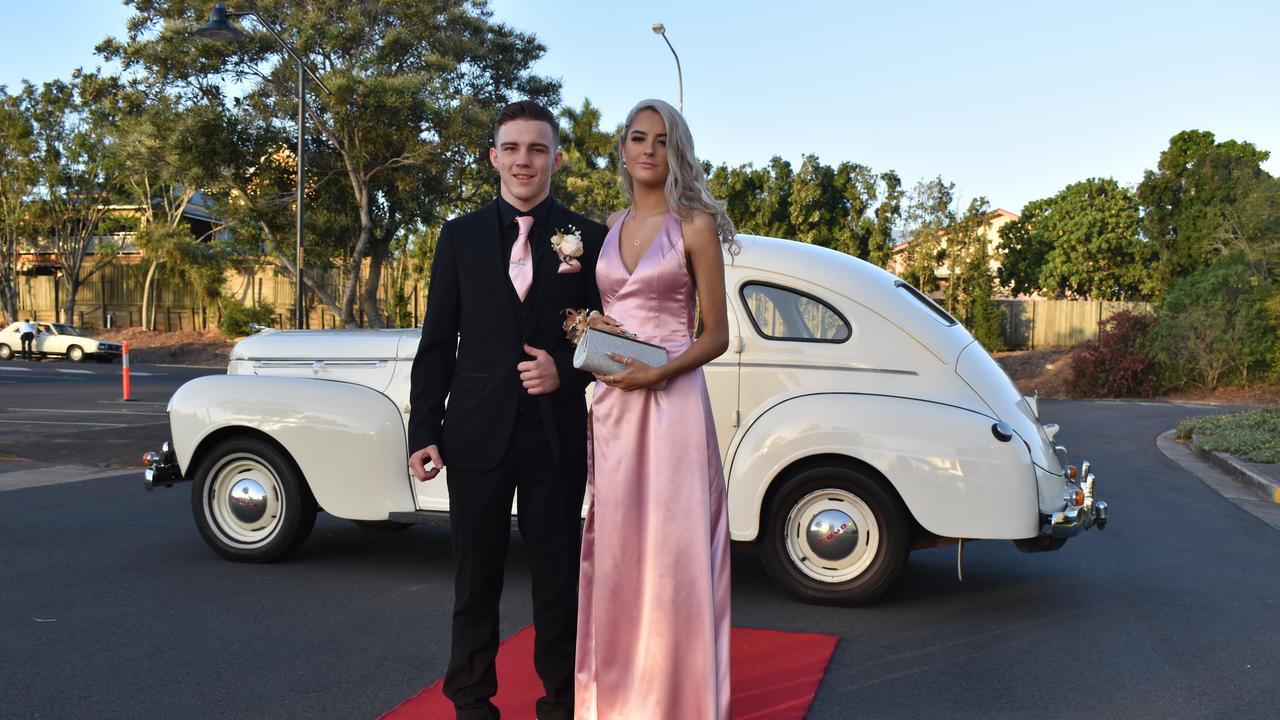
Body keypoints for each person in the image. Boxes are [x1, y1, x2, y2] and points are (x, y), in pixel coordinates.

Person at [407, 99, 606, 720]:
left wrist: (565, 369)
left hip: (555, 437)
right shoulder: (459, 236)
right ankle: (471, 702)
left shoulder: (590, 238)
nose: (525, 160)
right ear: (494, 157)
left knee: (558, 581)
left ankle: (562, 702)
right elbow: (438, 341)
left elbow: (607, 339)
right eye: (513, 148)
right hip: (476, 434)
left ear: (556, 158)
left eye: (538, 148)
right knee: (476, 582)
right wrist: (424, 430)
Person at [574, 99, 736, 720]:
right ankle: (617, 699)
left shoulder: (693, 223)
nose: (648, 149)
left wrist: (659, 371)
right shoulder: (610, 225)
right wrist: (596, 327)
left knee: (675, 548)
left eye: (662, 140)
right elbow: (616, 307)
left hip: (672, 402)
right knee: (618, 545)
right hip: (614, 402)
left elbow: (716, 334)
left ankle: (679, 703)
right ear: (622, 148)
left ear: (677, 150)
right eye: (638, 138)